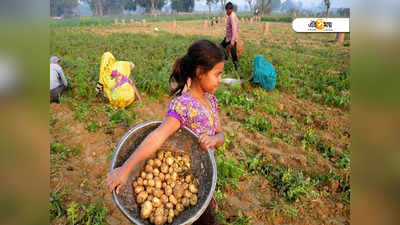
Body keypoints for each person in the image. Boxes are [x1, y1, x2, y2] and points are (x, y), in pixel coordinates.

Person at [106, 40, 225, 225]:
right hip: (181, 175)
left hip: (198, 177)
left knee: (204, 213)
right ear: (200, 72)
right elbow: (158, 136)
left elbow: (221, 134)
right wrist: (125, 169)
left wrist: (213, 139)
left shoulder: (211, 101)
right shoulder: (183, 105)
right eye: (217, 74)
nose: (220, 80)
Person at [221, 2, 239, 71]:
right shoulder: (230, 16)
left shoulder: (232, 17)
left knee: (234, 55)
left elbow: (234, 30)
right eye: (226, 10)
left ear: (230, 9)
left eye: (227, 10)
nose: (226, 12)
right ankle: (225, 58)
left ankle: (237, 70)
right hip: (228, 38)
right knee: (220, 47)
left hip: (232, 39)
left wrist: (232, 42)